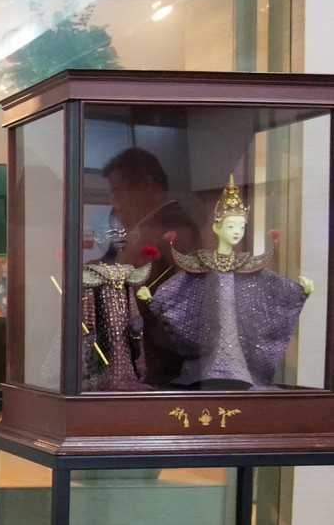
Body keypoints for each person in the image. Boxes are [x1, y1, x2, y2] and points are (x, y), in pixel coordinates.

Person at [143, 176, 313, 389]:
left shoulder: (245, 265)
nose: (236, 232)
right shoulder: (203, 263)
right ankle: (214, 368)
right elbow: (182, 283)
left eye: (241, 227)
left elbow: (269, 283)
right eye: (231, 226)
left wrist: (297, 292)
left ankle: (237, 370)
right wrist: (155, 299)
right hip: (207, 341)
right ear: (217, 227)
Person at [101, 147, 201, 384]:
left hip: (160, 364)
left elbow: (186, 304)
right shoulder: (145, 227)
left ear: (147, 185)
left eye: (118, 192)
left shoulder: (173, 230)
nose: (115, 204)